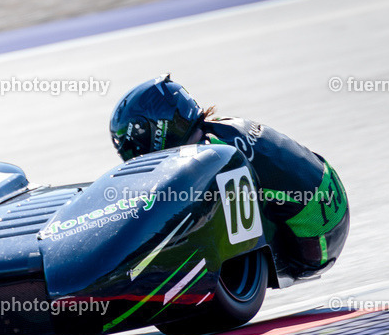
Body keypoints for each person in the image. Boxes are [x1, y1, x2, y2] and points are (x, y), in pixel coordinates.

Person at [109, 74, 349, 275]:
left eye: (133, 144)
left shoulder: (208, 154)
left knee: (188, 222)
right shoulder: (218, 129)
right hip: (327, 204)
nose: (133, 155)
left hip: (315, 236)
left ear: (158, 127)